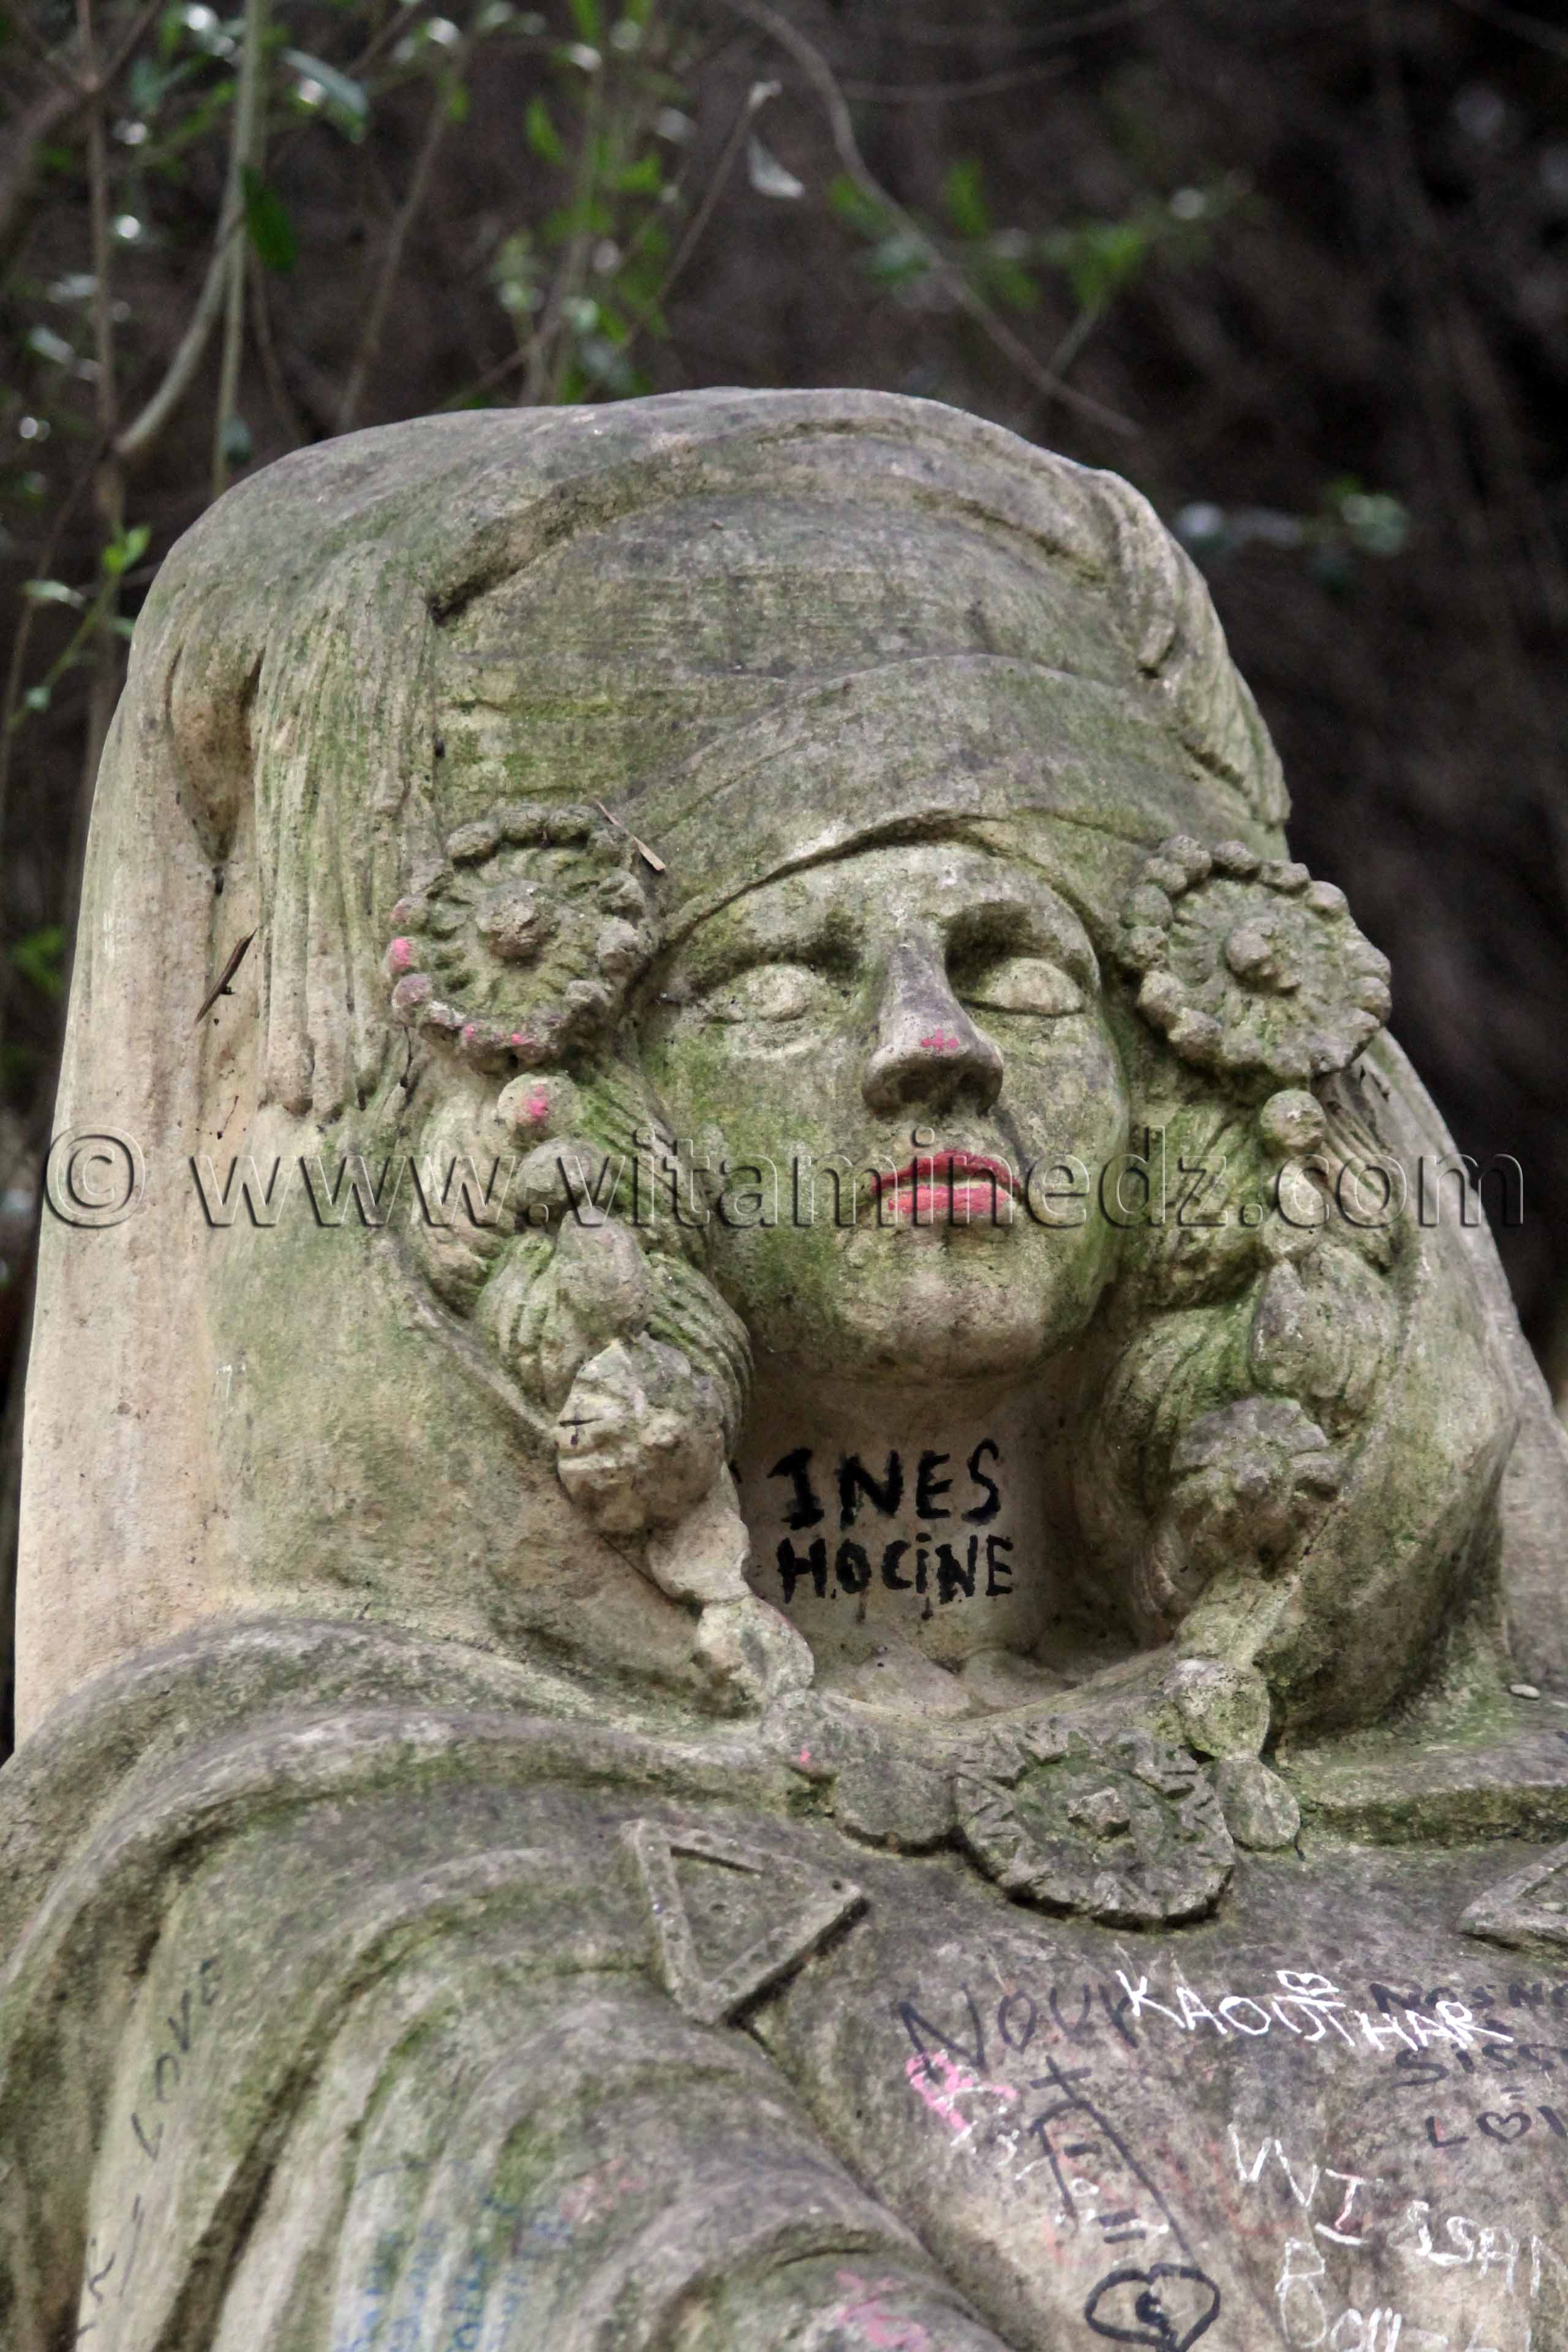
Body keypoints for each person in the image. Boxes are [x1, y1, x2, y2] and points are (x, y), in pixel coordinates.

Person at [7, 390, 1568, 2351]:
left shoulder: (1501, 1812)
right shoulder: (360, 1871)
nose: (936, 1047)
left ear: (1181, 1083)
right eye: (779, 979)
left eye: (1010, 960)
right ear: (598, 1116)